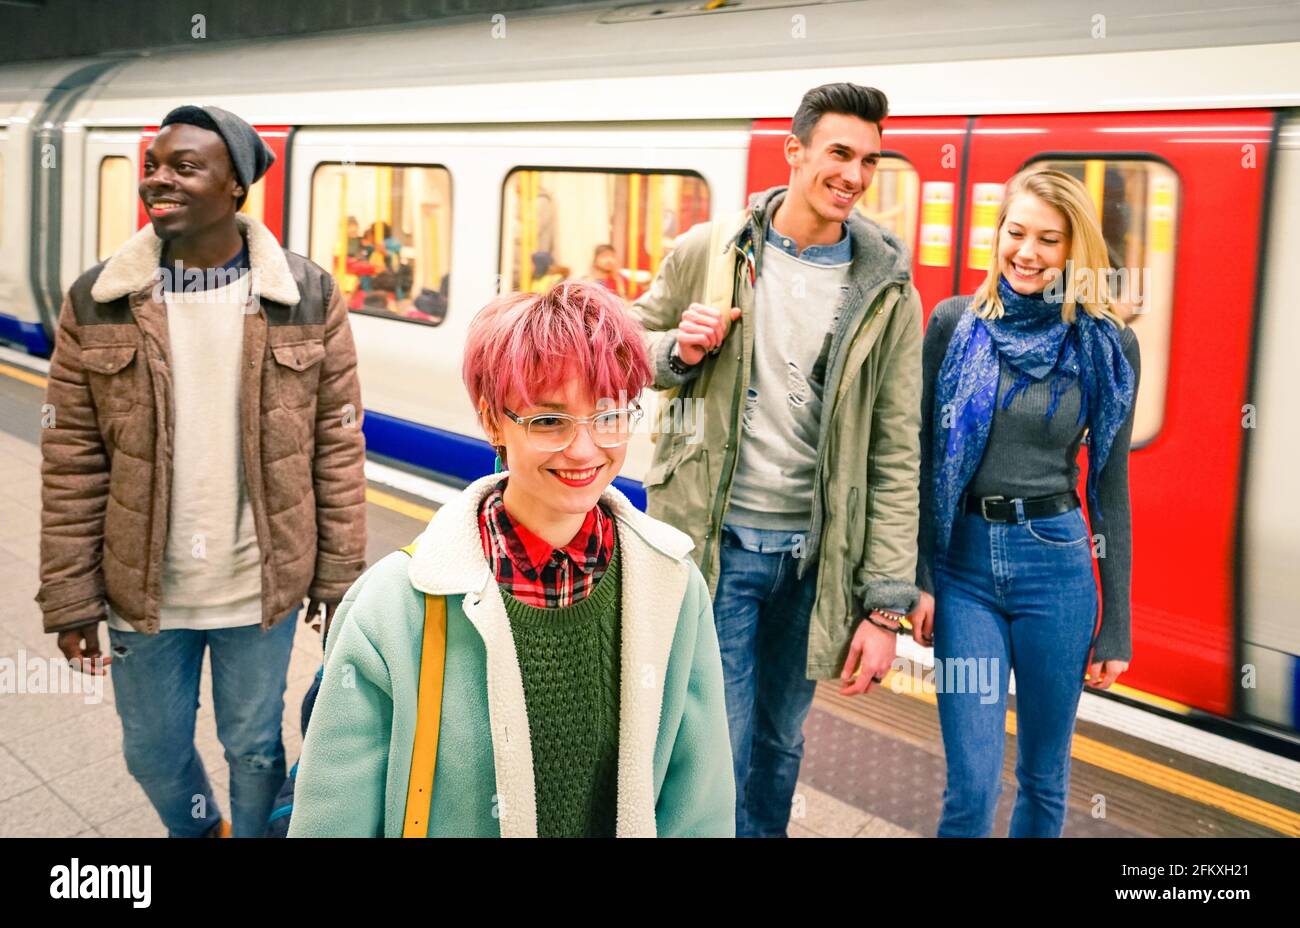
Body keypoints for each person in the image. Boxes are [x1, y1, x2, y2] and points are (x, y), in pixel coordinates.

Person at [289, 281, 735, 837]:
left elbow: (700, 804)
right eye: (549, 421)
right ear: (493, 421)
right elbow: (334, 820)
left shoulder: (672, 585)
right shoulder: (394, 606)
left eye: (609, 415)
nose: (585, 448)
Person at [37, 104, 367, 837]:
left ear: (235, 189)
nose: (160, 180)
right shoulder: (98, 299)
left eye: (185, 167)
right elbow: (71, 459)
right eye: (154, 165)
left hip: (260, 587)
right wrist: (68, 596)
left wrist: (339, 578)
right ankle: (201, 831)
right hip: (141, 588)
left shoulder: (305, 296)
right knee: (152, 753)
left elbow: (338, 446)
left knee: (253, 749)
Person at [629, 82, 923, 837]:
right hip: (716, 547)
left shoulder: (888, 288)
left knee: (779, 742)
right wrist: (677, 348)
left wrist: (884, 603)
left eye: (868, 160)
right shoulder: (711, 251)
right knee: (716, 743)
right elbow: (622, 351)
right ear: (794, 152)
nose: (854, 175)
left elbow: (896, 449)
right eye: (839, 154)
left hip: (814, 563)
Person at [910, 167, 1140, 838]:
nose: (1027, 252)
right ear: (998, 233)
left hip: (1057, 571)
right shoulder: (954, 323)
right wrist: (920, 577)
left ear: (1075, 250)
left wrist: (1117, 622)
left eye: (1049, 239)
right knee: (972, 785)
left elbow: (1111, 485)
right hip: (964, 573)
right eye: (1016, 233)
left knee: (1044, 781)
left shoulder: (1105, 342)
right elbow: (924, 458)